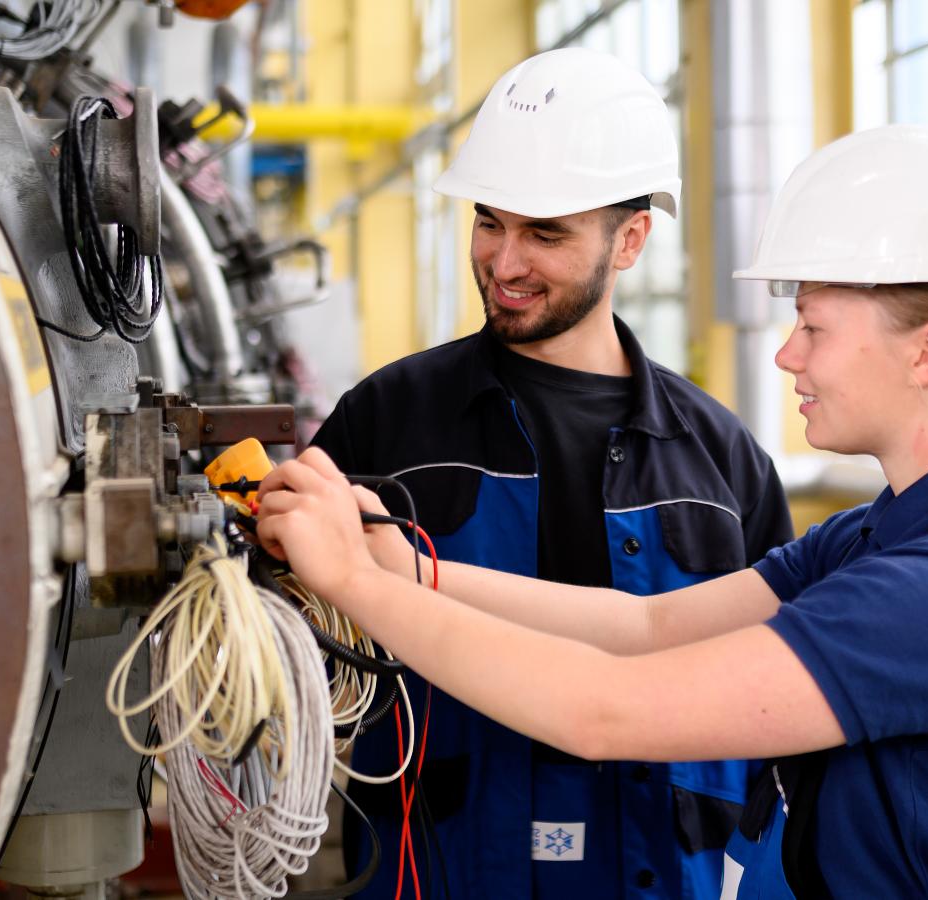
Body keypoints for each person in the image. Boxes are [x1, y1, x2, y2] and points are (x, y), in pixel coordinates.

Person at [265, 123, 928, 898]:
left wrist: (348, 577)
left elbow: (606, 710)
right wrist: (411, 570)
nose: (787, 354)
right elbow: (650, 626)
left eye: (813, 327)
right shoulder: (882, 533)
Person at [306, 46, 793, 900]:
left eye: (546, 232)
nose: (503, 261)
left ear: (631, 239)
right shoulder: (386, 422)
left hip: (656, 874)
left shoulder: (722, 462)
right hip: (439, 874)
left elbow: (770, 708)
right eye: (490, 221)